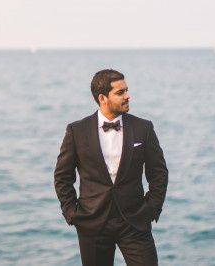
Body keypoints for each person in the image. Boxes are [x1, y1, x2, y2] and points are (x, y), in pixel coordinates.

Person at [54, 69, 168, 266]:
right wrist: (72, 213)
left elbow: (158, 173)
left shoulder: (144, 128)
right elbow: (62, 177)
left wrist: (151, 208)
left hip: (134, 222)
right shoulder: (76, 131)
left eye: (127, 90)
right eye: (120, 92)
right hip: (92, 223)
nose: (127, 96)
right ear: (102, 98)